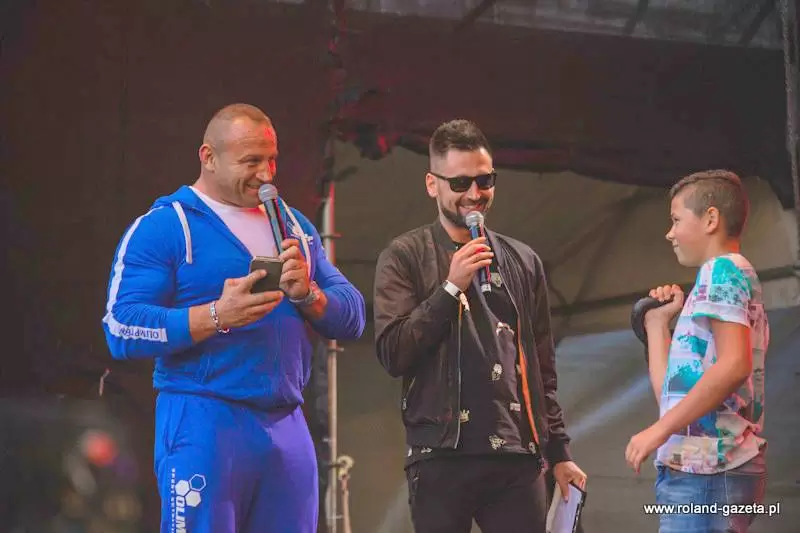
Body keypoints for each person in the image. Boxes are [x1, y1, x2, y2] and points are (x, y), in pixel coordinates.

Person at [101, 103, 365, 533]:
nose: (266, 175)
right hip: (205, 416)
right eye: (251, 161)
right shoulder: (166, 226)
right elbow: (121, 326)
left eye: (272, 160)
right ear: (208, 157)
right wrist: (215, 315)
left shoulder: (292, 226)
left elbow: (353, 317)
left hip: (286, 419)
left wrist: (309, 295)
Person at [373, 119, 587, 533]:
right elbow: (394, 352)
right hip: (440, 453)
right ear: (432, 184)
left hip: (517, 454)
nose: (474, 194)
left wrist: (559, 452)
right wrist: (450, 287)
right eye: (460, 183)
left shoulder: (523, 260)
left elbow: (542, 367)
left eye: (485, 180)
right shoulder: (404, 255)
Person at [625, 170, 769, 532]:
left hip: (709, 470)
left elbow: (735, 365)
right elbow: (671, 396)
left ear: (711, 219)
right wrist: (657, 325)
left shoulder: (721, 270)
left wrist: (658, 431)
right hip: (702, 468)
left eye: (676, 220)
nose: (669, 233)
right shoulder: (720, 277)